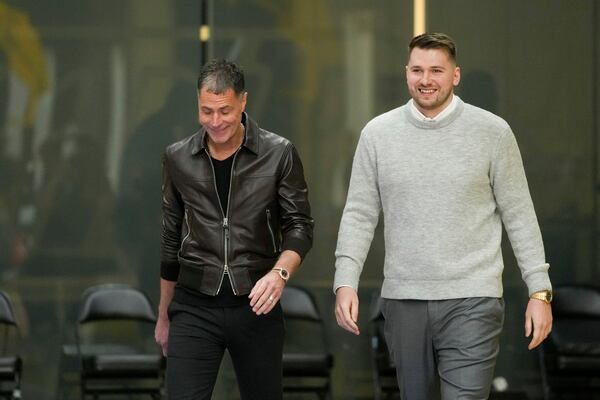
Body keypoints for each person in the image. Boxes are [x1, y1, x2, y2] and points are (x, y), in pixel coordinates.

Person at [333, 32, 552, 400]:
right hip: (404, 299)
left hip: (473, 297)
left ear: (456, 75)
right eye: (417, 70)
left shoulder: (492, 133)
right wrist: (345, 280)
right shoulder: (377, 134)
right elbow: (359, 214)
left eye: (437, 70)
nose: (426, 79)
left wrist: (540, 292)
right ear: (406, 74)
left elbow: (519, 214)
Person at [155, 59, 313, 399]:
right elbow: (170, 240)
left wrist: (279, 274)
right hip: (193, 305)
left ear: (243, 101)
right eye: (206, 111)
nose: (215, 122)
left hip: (256, 304)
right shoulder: (178, 157)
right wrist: (163, 316)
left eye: (224, 110)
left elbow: (299, 226)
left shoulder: (278, 153)